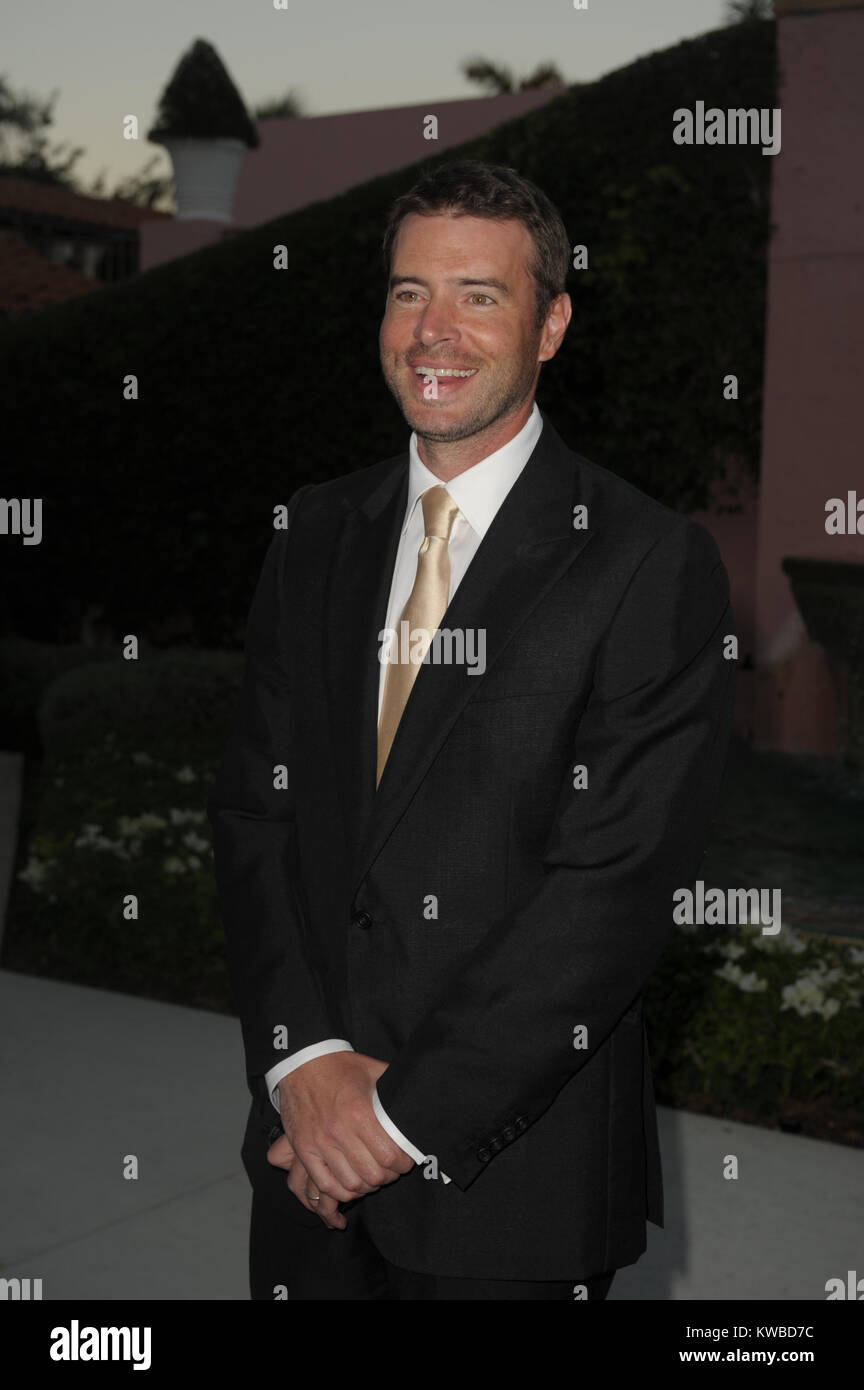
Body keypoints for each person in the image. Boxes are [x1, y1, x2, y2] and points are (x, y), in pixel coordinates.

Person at [207, 159, 737, 1301]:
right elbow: (259, 812)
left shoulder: (645, 560)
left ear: (551, 324)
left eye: (478, 295)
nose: (432, 330)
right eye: (408, 292)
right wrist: (303, 1060)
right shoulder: (314, 530)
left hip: (511, 1192)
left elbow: (612, 894)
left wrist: (394, 1120)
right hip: (305, 1167)